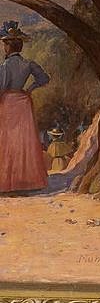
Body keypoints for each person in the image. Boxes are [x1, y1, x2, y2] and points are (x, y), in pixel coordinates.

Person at [0, 22, 49, 195]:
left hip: (8, 103)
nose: (3, 47)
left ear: (9, 46)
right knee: (24, 142)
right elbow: (44, 78)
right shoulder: (28, 63)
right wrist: (30, 89)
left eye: (4, 44)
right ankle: (26, 181)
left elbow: (1, 86)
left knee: (6, 142)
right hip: (23, 102)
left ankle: (6, 183)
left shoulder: (5, 66)